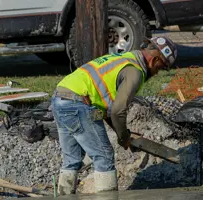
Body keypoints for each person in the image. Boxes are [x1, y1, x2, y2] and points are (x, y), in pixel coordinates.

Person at [51, 36, 178, 195]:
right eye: (161, 67)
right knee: (104, 157)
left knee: (72, 159)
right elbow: (118, 111)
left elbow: (106, 109)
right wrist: (123, 137)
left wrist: (123, 134)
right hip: (77, 103)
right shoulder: (135, 72)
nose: (158, 72)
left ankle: (64, 195)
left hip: (59, 97)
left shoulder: (124, 58)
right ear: (155, 60)